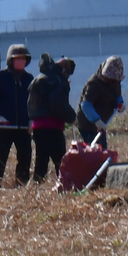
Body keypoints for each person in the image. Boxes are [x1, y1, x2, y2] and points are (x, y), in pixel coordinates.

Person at [0, 43, 34, 188]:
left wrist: (31, 120)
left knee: (25, 156)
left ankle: (21, 183)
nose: (21, 61)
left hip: (23, 126)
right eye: (17, 58)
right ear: (11, 60)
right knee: (0, 155)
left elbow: (33, 101)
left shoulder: (29, 79)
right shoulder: (1, 76)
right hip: (5, 126)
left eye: (23, 58)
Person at [28, 54, 76, 183]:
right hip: (53, 126)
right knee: (60, 160)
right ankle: (65, 184)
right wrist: (72, 117)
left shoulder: (38, 79)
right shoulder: (58, 81)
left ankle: (37, 186)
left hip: (37, 127)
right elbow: (58, 104)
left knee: (41, 159)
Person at [77, 55, 126, 148]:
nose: (111, 81)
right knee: (94, 151)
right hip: (87, 123)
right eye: (110, 79)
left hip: (102, 122)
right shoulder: (93, 83)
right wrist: (97, 120)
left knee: (102, 149)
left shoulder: (115, 81)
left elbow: (117, 95)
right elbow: (85, 105)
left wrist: (119, 103)